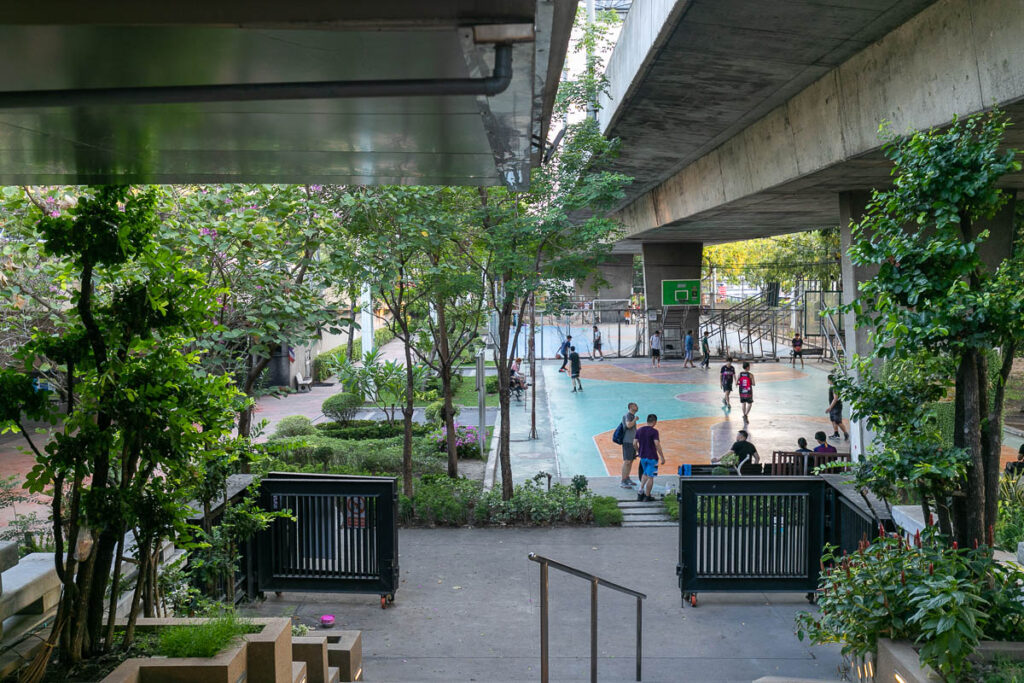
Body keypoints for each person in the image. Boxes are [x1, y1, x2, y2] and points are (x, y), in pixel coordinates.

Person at [633, 414, 665, 502]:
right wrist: (662, 457)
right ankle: (647, 496)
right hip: (652, 457)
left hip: (643, 457)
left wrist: (639, 451)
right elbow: (657, 444)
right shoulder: (654, 432)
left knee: (645, 474)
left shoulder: (639, 430)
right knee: (651, 477)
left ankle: (640, 492)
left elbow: (634, 443)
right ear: (654, 422)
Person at [619, 402, 639, 488]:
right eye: (635, 405)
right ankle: (623, 481)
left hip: (632, 441)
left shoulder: (632, 416)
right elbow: (628, 425)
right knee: (627, 461)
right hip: (627, 441)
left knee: (630, 461)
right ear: (631, 407)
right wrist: (635, 420)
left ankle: (627, 478)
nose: (637, 407)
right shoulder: (628, 415)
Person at [826, 374, 849, 441]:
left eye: (828, 379)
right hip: (834, 406)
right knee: (833, 420)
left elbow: (835, 398)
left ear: (830, 380)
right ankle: (836, 434)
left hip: (836, 407)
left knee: (838, 421)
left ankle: (845, 433)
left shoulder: (835, 388)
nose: (827, 381)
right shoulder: (833, 387)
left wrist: (830, 407)